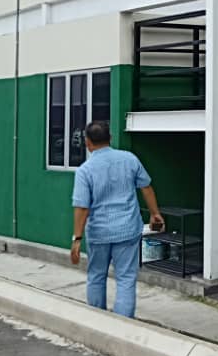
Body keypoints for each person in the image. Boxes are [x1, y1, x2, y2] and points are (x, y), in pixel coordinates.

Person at [70, 121, 164, 318]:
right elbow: (146, 186)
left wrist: (77, 239)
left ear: (87, 143)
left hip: (99, 233)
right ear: (110, 138)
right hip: (128, 229)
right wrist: (155, 214)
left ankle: (97, 320)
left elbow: (82, 207)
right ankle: (123, 323)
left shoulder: (84, 171)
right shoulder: (129, 159)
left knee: (96, 276)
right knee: (126, 278)